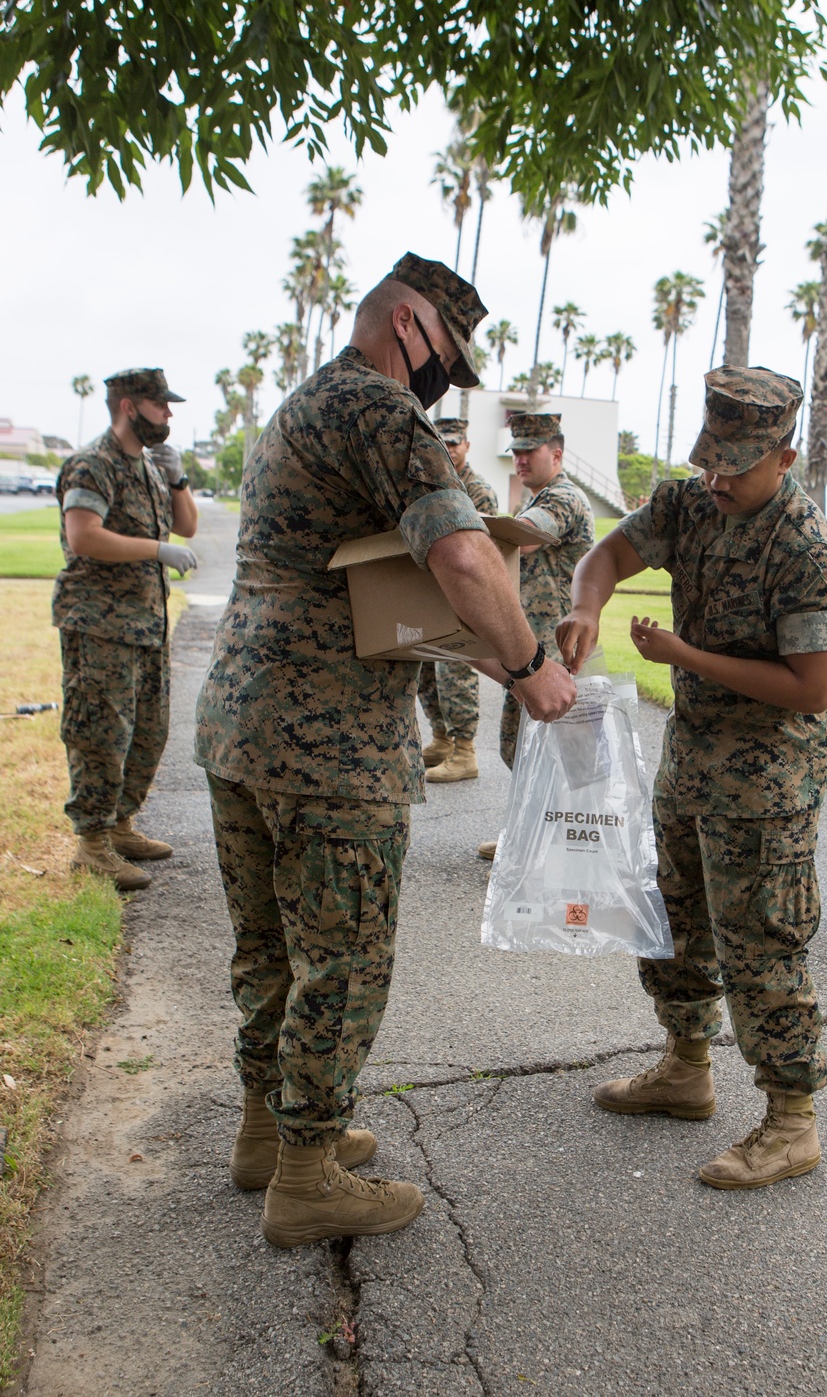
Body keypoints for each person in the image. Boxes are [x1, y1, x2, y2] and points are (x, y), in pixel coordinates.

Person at [194, 253, 576, 1247]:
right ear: (408, 323)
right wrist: (531, 666)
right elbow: (460, 554)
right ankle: (307, 1177)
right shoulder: (378, 406)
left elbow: (387, 591)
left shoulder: (306, 403)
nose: (445, 378)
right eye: (446, 353)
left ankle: (267, 1134)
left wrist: (497, 658)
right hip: (328, 743)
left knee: (269, 948)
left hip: (242, 722)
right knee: (344, 958)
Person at [557, 366, 827, 1190]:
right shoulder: (690, 503)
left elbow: (812, 688)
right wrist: (586, 604)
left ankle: (792, 1121)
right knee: (675, 917)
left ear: (785, 458)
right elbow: (607, 555)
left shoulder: (807, 550)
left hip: (767, 780)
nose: (716, 480)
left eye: (736, 466)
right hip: (692, 758)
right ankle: (685, 1068)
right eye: (708, 460)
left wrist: (684, 655)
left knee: (760, 941)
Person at [53, 367, 198, 892]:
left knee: (148, 732)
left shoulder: (150, 467)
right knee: (100, 734)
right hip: (99, 624)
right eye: (160, 404)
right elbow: (84, 536)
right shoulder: (92, 464)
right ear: (129, 406)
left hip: (145, 624)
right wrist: (156, 550)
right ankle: (92, 844)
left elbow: (187, 526)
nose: (168, 413)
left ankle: (119, 824)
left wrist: (178, 480)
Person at [477, 411, 595, 859]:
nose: (521, 459)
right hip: (536, 648)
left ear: (557, 454)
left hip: (556, 653)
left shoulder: (563, 497)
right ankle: (533, 837)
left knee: (554, 754)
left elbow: (522, 538)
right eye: (517, 452)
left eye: (531, 451)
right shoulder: (541, 497)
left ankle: (553, 849)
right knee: (524, 748)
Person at [419, 416, 498, 783]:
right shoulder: (429, 484)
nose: (449, 449)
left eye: (454, 442)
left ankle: (465, 750)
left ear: (467, 445)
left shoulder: (477, 490)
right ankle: (441, 739)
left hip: (464, 596)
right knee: (425, 666)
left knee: (455, 668)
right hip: (430, 594)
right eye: (443, 442)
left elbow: (483, 550)